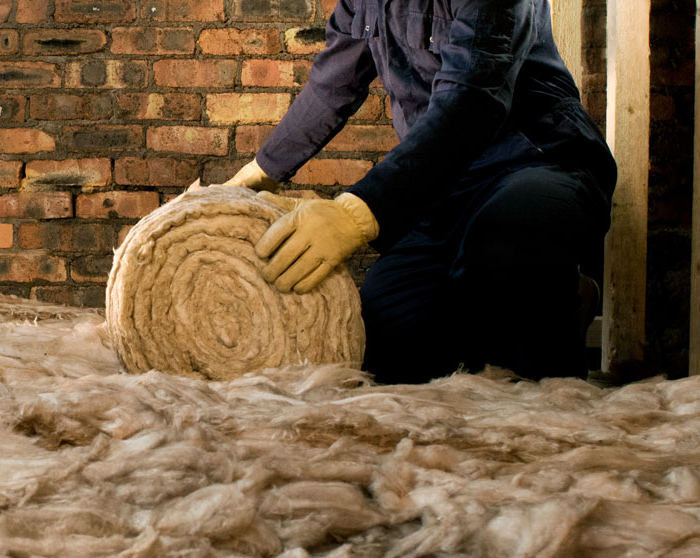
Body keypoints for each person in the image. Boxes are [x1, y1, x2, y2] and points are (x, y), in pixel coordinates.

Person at [226, 0, 617, 384]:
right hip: (441, 185)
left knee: (502, 259)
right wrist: (257, 174)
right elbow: (332, 85)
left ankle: (556, 301)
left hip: (537, 161)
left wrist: (354, 214)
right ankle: (557, 294)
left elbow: (470, 101)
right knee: (385, 339)